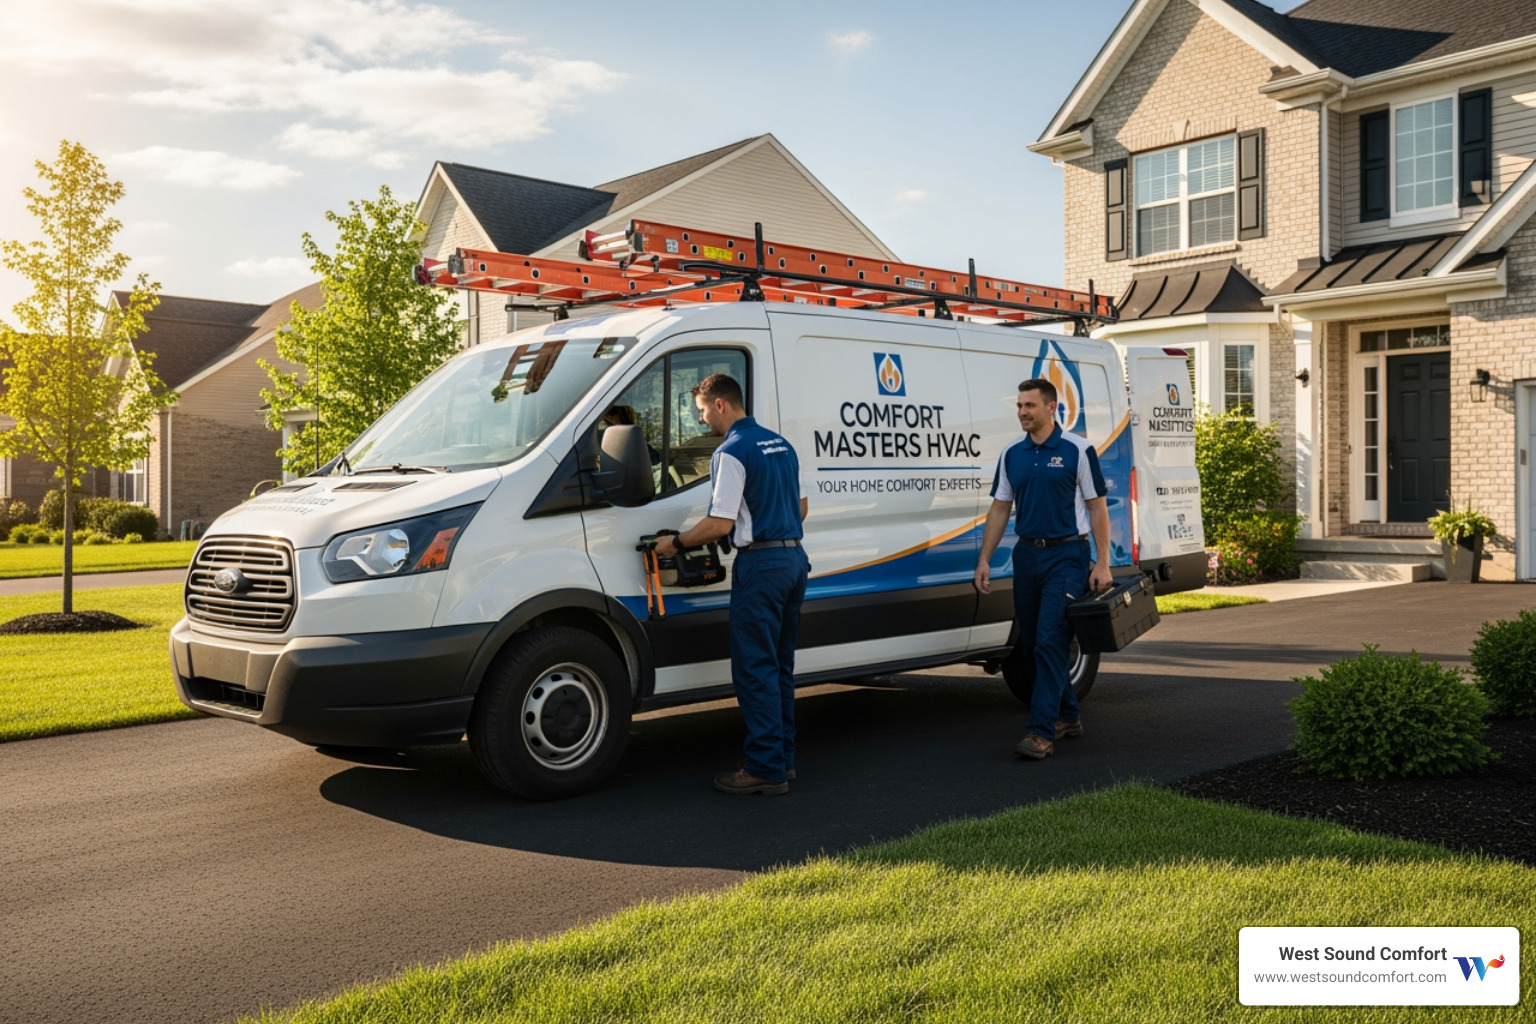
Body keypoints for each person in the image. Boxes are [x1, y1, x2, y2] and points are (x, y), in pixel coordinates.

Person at [654, 373, 809, 795]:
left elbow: (719, 523)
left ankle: (764, 768)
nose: (703, 421)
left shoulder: (731, 451)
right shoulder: (782, 445)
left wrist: (677, 542)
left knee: (754, 668)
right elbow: (802, 506)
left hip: (760, 568)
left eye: (703, 412)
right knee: (779, 667)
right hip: (794, 559)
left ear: (720, 404)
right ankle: (782, 759)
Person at [974, 378, 1114, 760]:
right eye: (1019, 405)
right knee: (1035, 645)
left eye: (1030, 406)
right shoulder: (1011, 455)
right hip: (1027, 556)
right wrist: (985, 558)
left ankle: (1040, 732)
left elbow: (1097, 506)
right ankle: (1068, 714)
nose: (1022, 412)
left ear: (1052, 408)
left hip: (1067, 556)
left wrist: (1103, 562)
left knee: (1052, 638)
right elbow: (1000, 507)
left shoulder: (1078, 450)